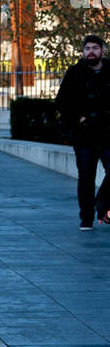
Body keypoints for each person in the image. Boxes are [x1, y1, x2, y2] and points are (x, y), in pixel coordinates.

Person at [55, 34, 110, 230]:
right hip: (84, 135)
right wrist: (79, 116)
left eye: (95, 48)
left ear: (102, 50)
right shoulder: (75, 73)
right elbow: (61, 101)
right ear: (83, 51)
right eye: (87, 48)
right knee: (86, 177)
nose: (91, 52)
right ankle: (86, 218)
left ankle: (102, 204)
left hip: (108, 132)